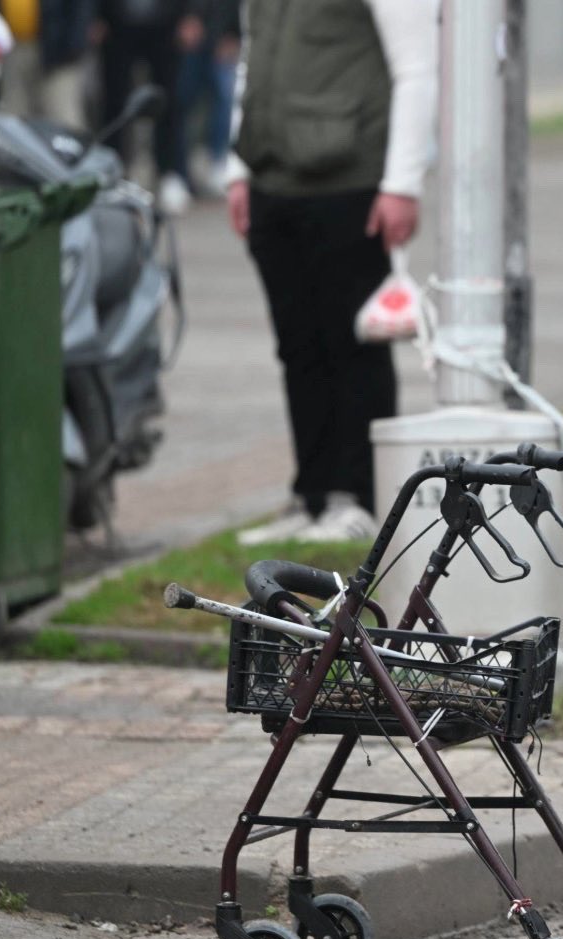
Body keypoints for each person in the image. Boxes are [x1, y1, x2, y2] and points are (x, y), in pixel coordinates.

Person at [227, 0, 438, 544]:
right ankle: (312, 495)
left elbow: (416, 68)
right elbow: (253, 60)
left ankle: (357, 498)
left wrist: (402, 183)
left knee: (354, 347)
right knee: (298, 347)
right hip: (273, 180)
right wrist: (238, 168)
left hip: (350, 180)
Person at [96, 0, 203, 215]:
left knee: (168, 102)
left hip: (165, 20)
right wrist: (96, 15)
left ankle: (168, 174)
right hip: (117, 20)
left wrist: (192, 14)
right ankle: (111, 175)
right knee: (114, 103)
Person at [0, 0, 95, 129]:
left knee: (62, 116)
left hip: (55, 49)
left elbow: (81, 8)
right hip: (12, 46)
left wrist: (73, 44)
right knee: (13, 117)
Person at [172, 0, 239, 200]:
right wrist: (186, 19)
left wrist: (232, 33)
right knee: (182, 103)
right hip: (187, 36)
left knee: (224, 100)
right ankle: (179, 172)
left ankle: (219, 162)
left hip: (220, 35)